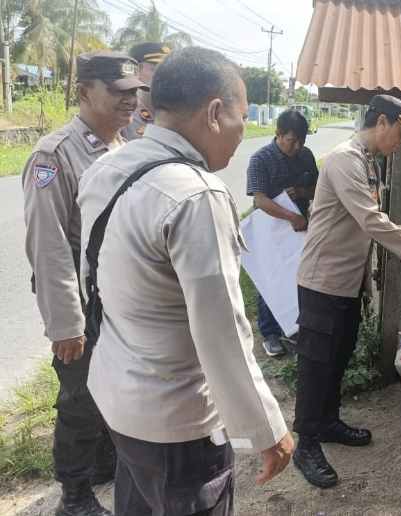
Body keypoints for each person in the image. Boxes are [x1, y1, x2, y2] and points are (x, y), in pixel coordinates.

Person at [77, 47, 293, 515]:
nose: (241, 137)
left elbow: (92, 282)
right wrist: (266, 429)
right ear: (215, 113)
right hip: (178, 422)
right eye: (242, 118)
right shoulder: (196, 194)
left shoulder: (107, 168)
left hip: (119, 398)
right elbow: (222, 333)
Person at [292, 94, 401, 488]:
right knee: (317, 362)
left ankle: (328, 422)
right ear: (382, 122)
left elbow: (370, 221)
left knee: (338, 355)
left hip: (346, 282)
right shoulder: (346, 158)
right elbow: (370, 219)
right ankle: (306, 443)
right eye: (400, 132)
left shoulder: (368, 161)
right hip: (324, 281)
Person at [21, 50, 145, 516]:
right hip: (80, 291)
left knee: (115, 383)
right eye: (118, 93)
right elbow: (49, 246)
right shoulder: (54, 154)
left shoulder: (126, 144)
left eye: (134, 93)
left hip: (119, 288)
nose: (129, 102)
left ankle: (101, 463)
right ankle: (73, 496)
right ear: (84, 93)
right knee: (79, 394)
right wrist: (66, 325)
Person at [246, 109, 319, 357]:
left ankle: (295, 327)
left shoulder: (306, 156)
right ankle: (270, 334)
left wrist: (300, 192)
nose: (297, 146)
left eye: (301, 141)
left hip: (301, 228)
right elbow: (259, 200)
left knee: (299, 277)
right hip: (271, 229)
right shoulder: (260, 159)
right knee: (273, 277)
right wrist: (290, 216)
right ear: (278, 134)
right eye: (291, 141)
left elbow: (316, 189)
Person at [121, 42, 170, 140]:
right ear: (136, 70)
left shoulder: (174, 114)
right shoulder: (122, 112)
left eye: (169, 71)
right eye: (156, 70)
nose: (166, 77)